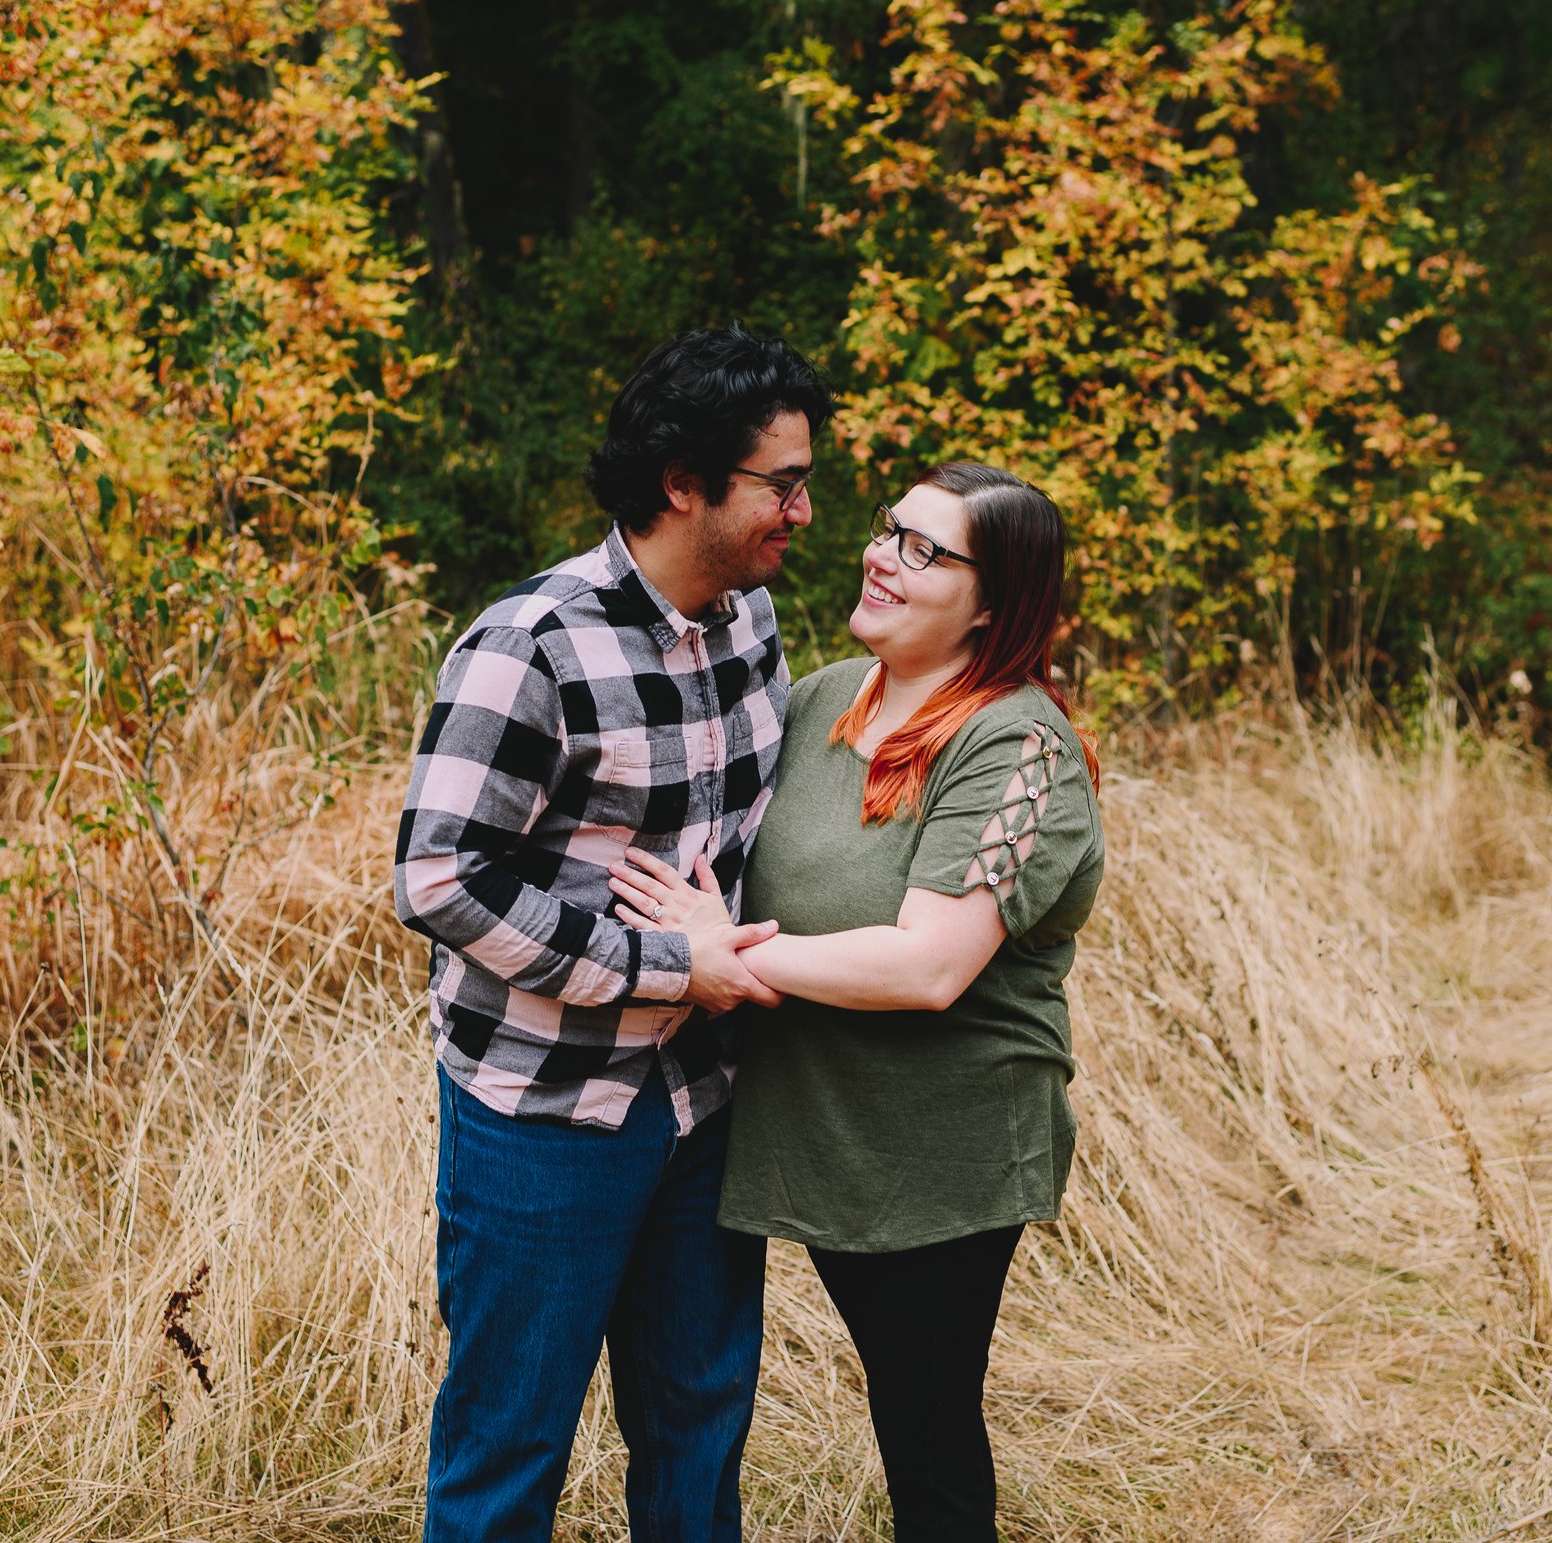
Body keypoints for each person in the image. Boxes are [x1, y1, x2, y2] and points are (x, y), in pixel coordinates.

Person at [608, 461, 1107, 1543]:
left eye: (928, 550)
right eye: (891, 531)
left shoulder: (1017, 745)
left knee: (925, 1433)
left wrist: (724, 958)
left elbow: (929, 964)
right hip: (815, 1128)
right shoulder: (828, 696)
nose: (882, 554)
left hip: (940, 1146)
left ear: (995, 601)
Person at [391, 324, 830, 1543]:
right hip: (544, 1115)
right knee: (506, 1448)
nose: (803, 507)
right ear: (684, 482)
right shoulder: (528, 646)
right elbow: (437, 877)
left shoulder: (751, 624)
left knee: (699, 1427)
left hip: (704, 1100)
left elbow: (745, 842)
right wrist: (663, 963)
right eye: (780, 483)